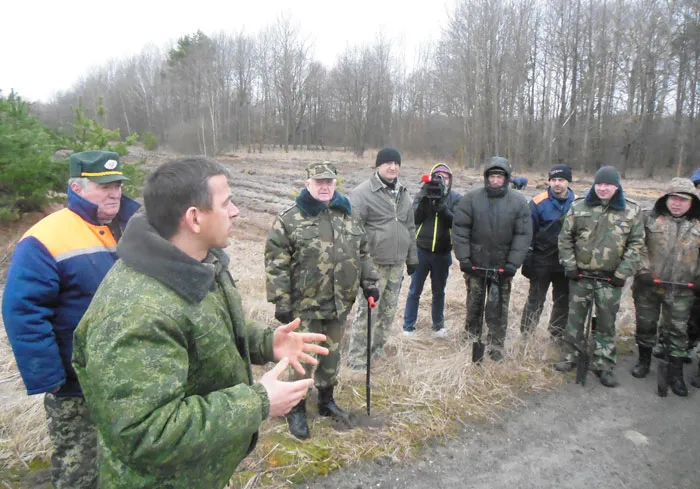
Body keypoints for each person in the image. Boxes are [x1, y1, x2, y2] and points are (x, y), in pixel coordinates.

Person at [71, 157, 328, 489]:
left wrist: (267, 343)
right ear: (194, 218)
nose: (236, 211)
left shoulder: (196, 263)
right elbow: (145, 432)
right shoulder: (138, 311)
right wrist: (259, 402)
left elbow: (205, 329)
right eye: (227, 203)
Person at [1, 150, 139, 489]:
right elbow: (23, 311)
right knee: (81, 469)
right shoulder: (45, 238)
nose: (115, 193)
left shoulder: (133, 228)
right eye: (104, 186)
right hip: (77, 384)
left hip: (131, 374)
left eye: (118, 184)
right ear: (76, 187)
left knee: (129, 459)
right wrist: (53, 378)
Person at [264, 161, 379, 439]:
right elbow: (276, 263)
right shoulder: (290, 219)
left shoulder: (348, 216)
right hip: (305, 306)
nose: (325, 186)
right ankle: (295, 407)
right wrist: (281, 300)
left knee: (332, 356)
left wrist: (370, 283)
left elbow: (362, 253)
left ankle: (326, 401)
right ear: (308, 185)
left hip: (339, 303)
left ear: (335, 184)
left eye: (329, 182)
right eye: (319, 182)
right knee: (302, 359)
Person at [556, 166, 644, 388]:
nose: (603, 189)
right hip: (581, 277)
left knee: (605, 323)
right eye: (600, 184)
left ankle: (603, 364)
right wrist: (570, 266)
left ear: (617, 186)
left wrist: (623, 273)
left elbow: (636, 245)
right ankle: (570, 357)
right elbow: (565, 238)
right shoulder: (579, 207)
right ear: (595, 185)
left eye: (608, 185)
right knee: (575, 320)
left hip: (610, 280)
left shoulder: (632, 211)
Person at [453, 157, 532, 361]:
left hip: (502, 267)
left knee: (499, 308)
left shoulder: (519, 202)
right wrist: (465, 259)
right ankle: (472, 338)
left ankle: (496, 344)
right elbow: (460, 230)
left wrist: (512, 264)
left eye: (499, 176)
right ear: (486, 177)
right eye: (492, 176)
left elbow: (523, 235)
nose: (495, 180)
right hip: (476, 265)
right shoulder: (471, 199)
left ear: (506, 179)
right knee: (474, 304)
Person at [346, 148, 418, 369]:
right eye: (387, 163)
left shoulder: (403, 192)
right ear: (377, 166)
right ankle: (357, 359)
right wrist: (361, 265)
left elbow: (409, 226)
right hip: (373, 264)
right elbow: (353, 232)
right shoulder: (362, 193)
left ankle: (376, 351)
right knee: (368, 313)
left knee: (388, 312)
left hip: (396, 263)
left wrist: (412, 257)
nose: (392, 167)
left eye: (396, 163)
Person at [630, 178, 700, 396]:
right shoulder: (649, 218)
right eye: (673, 198)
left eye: (682, 200)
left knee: (678, 330)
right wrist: (643, 271)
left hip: (683, 289)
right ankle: (643, 360)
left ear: (691, 202)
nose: (677, 203)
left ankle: (676, 373)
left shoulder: (698, 224)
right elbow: (636, 245)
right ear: (665, 199)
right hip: (649, 286)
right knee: (646, 324)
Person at [402, 163, 461, 337]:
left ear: (450, 180)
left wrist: (442, 207)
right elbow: (414, 219)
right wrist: (426, 201)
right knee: (414, 290)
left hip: (442, 252)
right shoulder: (422, 194)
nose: (442, 179)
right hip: (422, 250)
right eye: (438, 175)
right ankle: (408, 326)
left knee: (439, 291)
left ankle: (438, 325)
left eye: (446, 176)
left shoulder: (456, 198)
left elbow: (456, 222)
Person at [520, 164, 575, 338]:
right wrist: (527, 258)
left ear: (568, 182)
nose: (557, 184)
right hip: (541, 260)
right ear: (549, 181)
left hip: (566, 261)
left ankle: (556, 335)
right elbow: (528, 232)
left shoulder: (578, 204)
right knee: (535, 300)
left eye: (561, 180)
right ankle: (526, 335)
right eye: (554, 180)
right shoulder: (537, 202)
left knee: (562, 301)